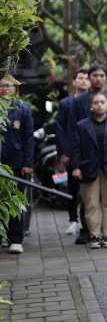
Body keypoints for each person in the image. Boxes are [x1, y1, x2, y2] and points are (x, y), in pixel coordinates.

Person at [68, 63, 107, 245]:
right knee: (89, 202)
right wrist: (73, 163)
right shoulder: (79, 102)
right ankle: (91, 233)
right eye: (94, 75)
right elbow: (72, 133)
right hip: (87, 161)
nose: (98, 78)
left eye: (102, 75)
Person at [0, 74, 34, 254]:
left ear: (15, 89)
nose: (4, 89)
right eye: (1, 86)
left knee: (15, 200)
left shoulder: (22, 109)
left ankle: (16, 238)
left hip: (16, 162)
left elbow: (29, 138)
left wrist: (28, 162)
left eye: (8, 86)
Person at [55, 68, 90, 237]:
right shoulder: (65, 103)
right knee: (72, 188)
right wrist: (63, 152)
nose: (84, 81)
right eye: (80, 78)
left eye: (86, 78)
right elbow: (61, 129)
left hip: (88, 152)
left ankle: (89, 221)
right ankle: (73, 220)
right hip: (71, 152)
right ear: (74, 82)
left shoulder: (95, 101)